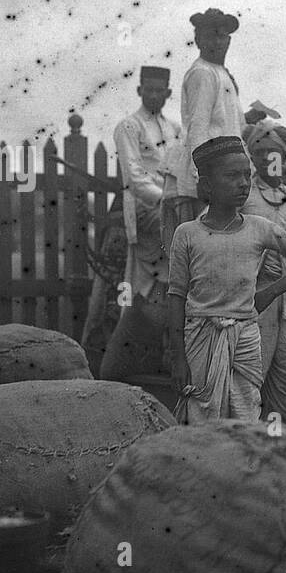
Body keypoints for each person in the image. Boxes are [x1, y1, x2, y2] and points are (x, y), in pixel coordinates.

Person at [166, 135, 286, 423]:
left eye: (246, 175)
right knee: (202, 416)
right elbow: (176, 296)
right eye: (232, 175)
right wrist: (177, 357)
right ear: (208, 186)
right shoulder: (187, 234)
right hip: (200, 337)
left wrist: (272, 292)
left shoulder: (259, 228)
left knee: (246, 413)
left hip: (246, 338)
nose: (243, 183)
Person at [101, 65, 182, 381]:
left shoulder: (175, 128)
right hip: (149, 209)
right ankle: (127, 350)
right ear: (139, 91)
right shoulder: (128, 127)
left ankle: (165, 352)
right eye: (147, 89)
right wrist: (168, 202)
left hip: (174, 208)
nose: (153, 95)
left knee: (174, 277)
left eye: (159, 90)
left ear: (168, 93)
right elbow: (133, 176)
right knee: (142, 283)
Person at [166, 8, 267, 252]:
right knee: (206, 247)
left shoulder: (222, 74)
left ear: (229, 40)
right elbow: (198, 127)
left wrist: (249, 118)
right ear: (198, 39)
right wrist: (202, 177)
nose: (217, 42)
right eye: (210, 36)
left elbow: (229, 123)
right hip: (212, 174)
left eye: (222, 36)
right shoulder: (202, 73)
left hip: (229, 172)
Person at [240, 122, 286, 424]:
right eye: (263, 153)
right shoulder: (244, 197)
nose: (271, 159)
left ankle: (276, 443)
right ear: (253, 159)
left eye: (276, 153)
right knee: (252, 375)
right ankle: (247, 449)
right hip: (254, 294)